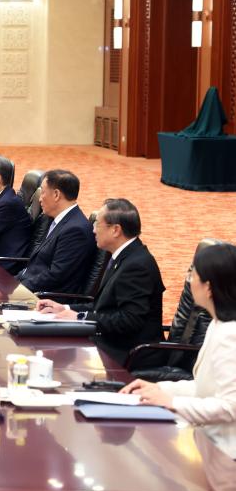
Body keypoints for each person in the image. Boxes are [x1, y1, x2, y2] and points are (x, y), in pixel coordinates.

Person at [122, 243, 236, 437]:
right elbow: (202, 388)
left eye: (192, 275)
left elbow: (230, 407)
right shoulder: (217, 324)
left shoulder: (229, 334)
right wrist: (159, 388)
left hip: (223, 447)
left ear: (208, 287)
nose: (189, 281)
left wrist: (172, 403)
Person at [37, 198, 164, 368]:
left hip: (128, 352)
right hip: (111, 341)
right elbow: (103, 307)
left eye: (97, 224)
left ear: (115, 230)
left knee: (57, 357)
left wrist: (80, 317)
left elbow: (129, 320)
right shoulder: (123, 256)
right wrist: (65, 308)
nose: (93, 230)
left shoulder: (136, 266)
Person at [17, 170, 96, 293]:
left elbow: (56, 276)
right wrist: (11, 282)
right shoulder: (54, 219)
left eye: (43, 192)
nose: (39, 199)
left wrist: (16, 288)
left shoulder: (76, 230)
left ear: (56, 195)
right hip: (30, 284)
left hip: (47, 297)